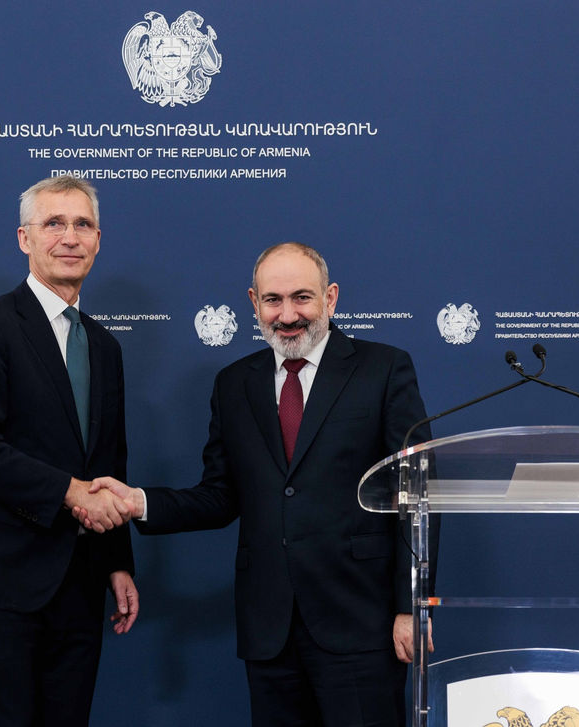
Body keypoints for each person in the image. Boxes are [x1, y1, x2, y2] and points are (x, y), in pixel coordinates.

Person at [85, 242, 433, 727]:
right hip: (270, 630)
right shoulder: (234, 384)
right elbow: (220, 496)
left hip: (362, 623)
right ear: (253, 303)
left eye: (302, 298)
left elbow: (415, 495)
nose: (288, 314)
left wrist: (410, 607)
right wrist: (139, 502)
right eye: (273, 300)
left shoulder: (384, 368)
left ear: (331, 298)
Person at [0, 175, 138, 727]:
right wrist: (71, 493)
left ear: (98, 240)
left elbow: (108, 464)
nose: (69, 237)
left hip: (78, 582)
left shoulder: (105, 345)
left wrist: (117, 562)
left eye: (82, 224)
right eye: (54, 223)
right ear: (24, 238)